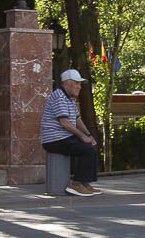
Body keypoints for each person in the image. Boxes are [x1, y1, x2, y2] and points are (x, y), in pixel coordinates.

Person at [41, 68, 101, 197]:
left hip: (63, 137)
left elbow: (77, 119)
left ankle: (84, 183)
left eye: (80, 83)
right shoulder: (59, 96)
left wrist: (89, 136)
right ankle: (76, 184)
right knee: (87, 150)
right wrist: (82, 137)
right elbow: (65, 123)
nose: (80, 86)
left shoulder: (70, 99)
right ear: (67, 83)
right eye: (76, 83)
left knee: (90, 147)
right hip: (54, 140)